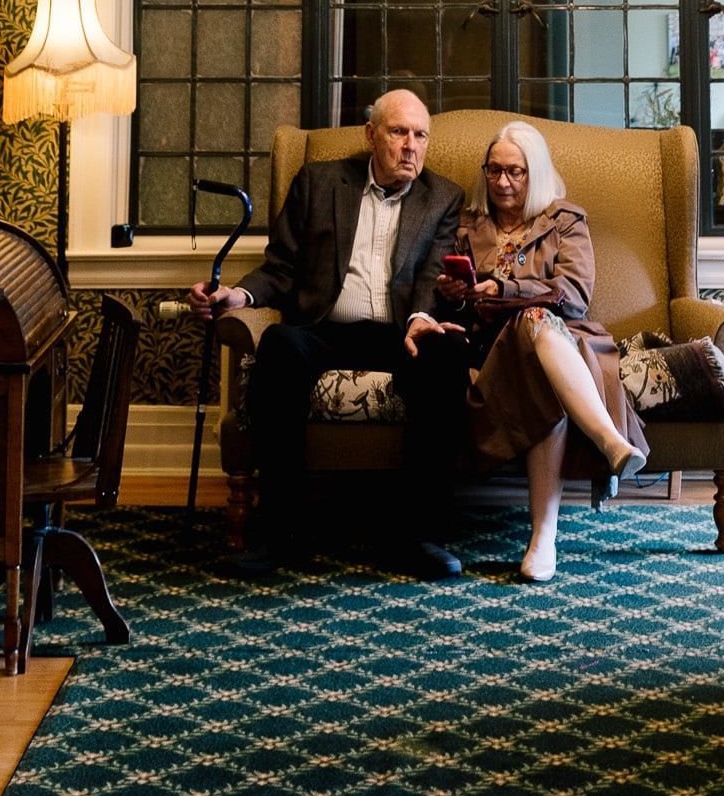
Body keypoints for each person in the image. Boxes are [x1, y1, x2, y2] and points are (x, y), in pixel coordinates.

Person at [188, 88, 469, 579]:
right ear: (370, 134)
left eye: (420, 135)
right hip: (325, 327)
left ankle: (416, 534)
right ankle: (281, 533)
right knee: (278, 346)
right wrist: (239, 296)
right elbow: (280, 268)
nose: (411, 147)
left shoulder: (442, 197)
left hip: (399, 332)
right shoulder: (320, 182)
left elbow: (429, 277)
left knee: (445, 358)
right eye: (399, 132)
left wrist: (422, 318)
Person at [437, 120, 647, 584]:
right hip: (490, 348)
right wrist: (454, 291)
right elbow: (449, 299)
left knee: (538, 336)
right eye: (494, 171)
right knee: (533, 351)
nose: (503, 182)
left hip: (562, 342)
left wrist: (507, 288)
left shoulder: (564, 220)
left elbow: (573, 293)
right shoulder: (467, 225)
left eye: (516, 171)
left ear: (536, 173)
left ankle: (543, 538)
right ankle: (607, 445)